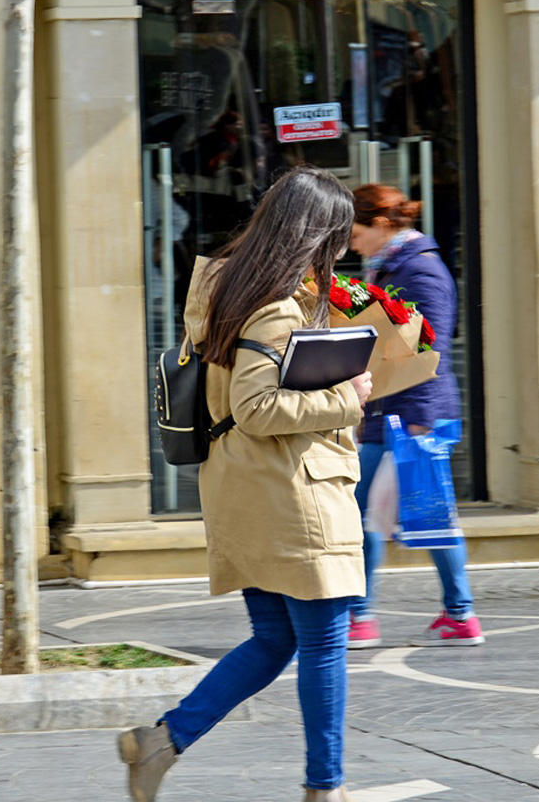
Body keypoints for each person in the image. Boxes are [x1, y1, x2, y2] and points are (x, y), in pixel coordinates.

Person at [118, 166, 373, 802]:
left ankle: (160, 743)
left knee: (276, 637)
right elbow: (258, 407)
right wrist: (347, 397)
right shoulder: (274, 310)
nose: (340, 253)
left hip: (243, 489)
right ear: (314, 234)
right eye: (336, 239)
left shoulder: (227, 291)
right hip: (291, 495)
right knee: (323, 643)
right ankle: (327, 789)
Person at [345, 183, 483, 649]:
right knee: (427, 514)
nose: (350, 241)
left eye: (356, 230)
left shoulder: (419, 272)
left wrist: (420, 423)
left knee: (371, 513)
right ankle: (459, 614)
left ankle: (360, 618)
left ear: (382, 225)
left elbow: (430, 349)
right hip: (397, 414)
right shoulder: (392, 267)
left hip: (414, 417)